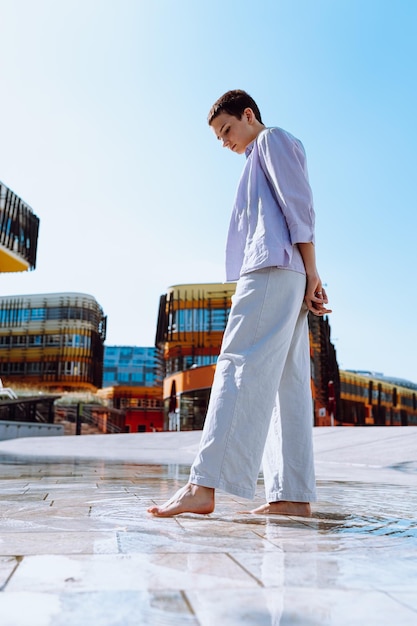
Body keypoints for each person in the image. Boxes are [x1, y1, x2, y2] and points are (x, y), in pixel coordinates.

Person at [147, 89, 331, 518]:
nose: (225, 142)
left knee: (238, 363)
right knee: (286, 383)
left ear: (249, 115)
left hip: (271, 269)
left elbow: (298, 207)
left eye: (227, 129)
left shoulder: (271, 140)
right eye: (219, 138)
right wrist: (310, 275)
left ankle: (203, 485)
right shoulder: (257, 156)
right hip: (287, 271)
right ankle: (292, 496)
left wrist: (313, 271)